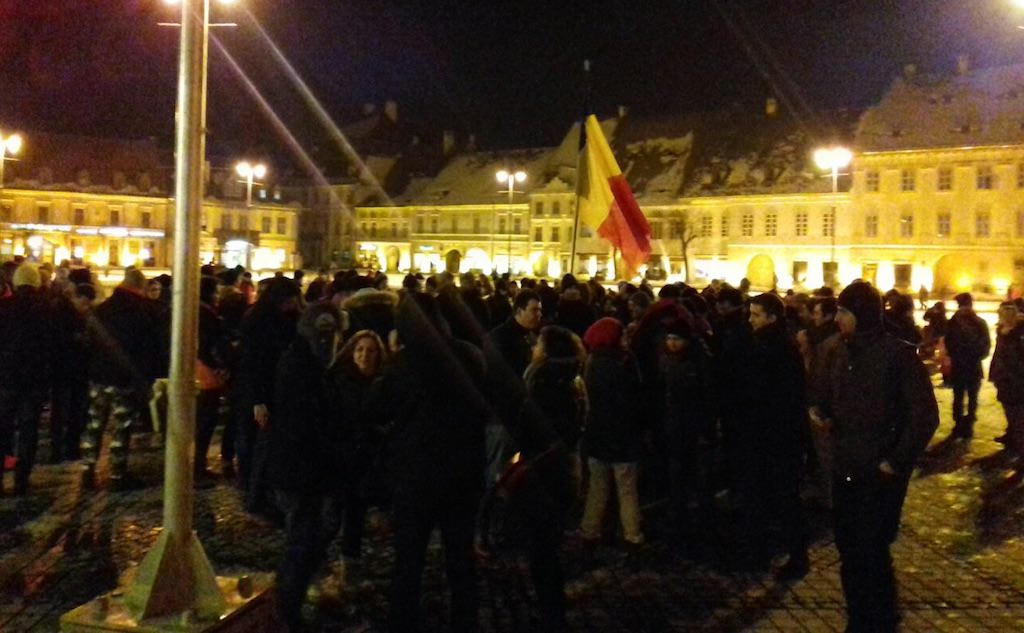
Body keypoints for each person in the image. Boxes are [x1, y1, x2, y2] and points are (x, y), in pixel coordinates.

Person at [812, 281, 938, 632]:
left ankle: (881, 620)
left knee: (873, 550)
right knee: (849, 549)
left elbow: (924, 416)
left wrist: (895, 461)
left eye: (844, 312)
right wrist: (819, 412)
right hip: (844, 464)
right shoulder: (833, 350)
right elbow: (822, 395)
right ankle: (858, 617)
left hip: (879, 472)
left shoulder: (897, 355)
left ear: (863, 315)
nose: (837, 318)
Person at [380, 293, 491, 633]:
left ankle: (403, 621)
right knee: (460, 560)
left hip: (416, 477)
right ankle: (465, 620)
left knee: (409, 561)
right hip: (462, 474)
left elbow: (375, 408)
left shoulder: (405, 362)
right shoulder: (469, 356)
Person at [267, 302, 342, 631]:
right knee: (301, 542)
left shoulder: (305, 360)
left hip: (300, 470)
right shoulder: (302, 365)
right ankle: (287, 610)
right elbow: (306, 424)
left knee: (306, 539)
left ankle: (290, 602)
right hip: (299, 472)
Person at [741, 293, 809, 578]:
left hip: (772, 435)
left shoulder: (770, 347)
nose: (750, 320)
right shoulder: (779, 344)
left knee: (779, 498)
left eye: (756, 315)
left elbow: (763, 395)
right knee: (779, 497)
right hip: (780, 435)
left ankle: (788, 556)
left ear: (771, 317)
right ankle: (785, 553)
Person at [579, 317, 645, 550]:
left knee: (597, 487)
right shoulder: (625, 362)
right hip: (624, 437)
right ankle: (632, 535)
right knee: (627, 489)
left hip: (598, 435)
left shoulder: (591, 363)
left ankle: (589, 531)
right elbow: (636, 399)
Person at [326, 329, 389, 559]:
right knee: (332, 517)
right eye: (360, 349)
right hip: (343, 457)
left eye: (371, 351)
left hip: (367, 460)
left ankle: (349, 563)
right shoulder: (341, 381)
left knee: (356, 514)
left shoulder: (383, 383)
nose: (364, 355)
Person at [658, 317, 716, 556]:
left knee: (701, 479)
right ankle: (678, 522)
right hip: (674, 427)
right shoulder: (664, 360)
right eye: (669, 339)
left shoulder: (700, 361)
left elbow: (709, 396)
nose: (672, 343)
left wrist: (707, 428)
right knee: (677, 477)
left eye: (676, 339)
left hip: (695, 427)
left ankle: (704, 525)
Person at [0, 264, 54, 495]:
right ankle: (22, 479)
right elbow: (53, 349)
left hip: (6, 378)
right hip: (34, 381)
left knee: (3, 428)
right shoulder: (46, 311)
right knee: (28, 429)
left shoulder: (4, 307)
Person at [945, 292, 991, 439]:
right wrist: (976, 356)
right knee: (972, 397)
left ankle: (958, 424)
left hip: (959, 366)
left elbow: (948, 343)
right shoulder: (980, 322)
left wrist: (956, 355)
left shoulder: (953, 322)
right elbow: (986, 346)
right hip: (973, 366)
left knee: (958, 396)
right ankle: (968, 425)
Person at [989, 302, 1024, 454]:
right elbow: (998, 355)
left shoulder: (1018, 334)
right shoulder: (1002, 331)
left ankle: (1019, 446)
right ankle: (1011, 437)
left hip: (1016, 379)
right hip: (1004, 377)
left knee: (1017, 415)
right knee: (1009, 410)